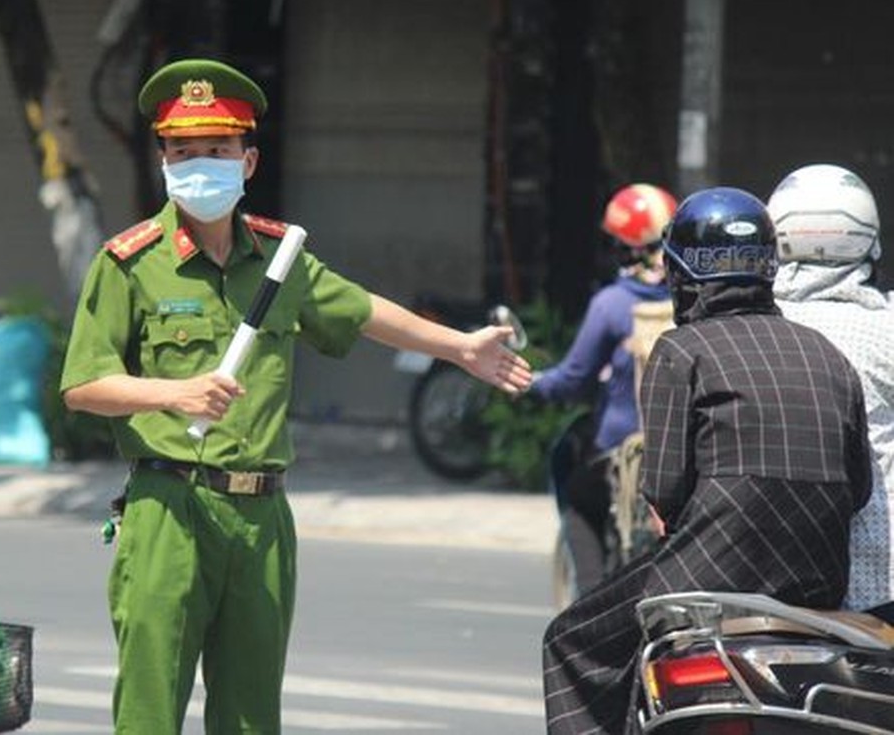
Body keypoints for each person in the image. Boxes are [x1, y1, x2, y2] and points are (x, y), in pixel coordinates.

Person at [59, 58, 532, 734]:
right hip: (169, 506)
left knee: (251, 715)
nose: (200, 164)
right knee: (150, 709)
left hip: (260, 513)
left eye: (217, 150)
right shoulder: (129, 263)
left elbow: (362, 310)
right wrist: (176, 393)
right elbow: (83, 386)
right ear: (161, 159)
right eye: (183, 150)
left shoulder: (280, 261)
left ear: (246, 162)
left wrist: (458, 348)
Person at [541, 187, 871, 734]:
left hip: (712, 572)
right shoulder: (827, 354)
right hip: (818, 581)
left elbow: (665, 491)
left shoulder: (682, 349)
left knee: (571, 641)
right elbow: (856, 490)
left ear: (682, 277)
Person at [529, 183, 676, 594]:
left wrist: (531, 385)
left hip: (621, 454)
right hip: (682, 455)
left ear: (624, 245)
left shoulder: (611, 305)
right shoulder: (693, 300)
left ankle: (587, 602)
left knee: (578, 498)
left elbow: (573, 379)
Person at [767, 163, 894, 611]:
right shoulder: (888, 328)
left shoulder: (745, 328)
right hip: (878, 582)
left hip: (759, 576)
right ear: (870, 242)